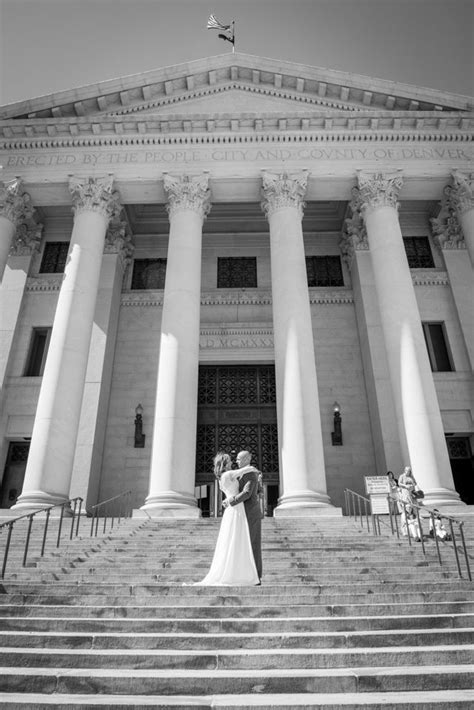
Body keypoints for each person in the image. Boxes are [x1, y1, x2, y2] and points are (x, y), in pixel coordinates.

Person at [192, 451, 260, 586]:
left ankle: (234, 571)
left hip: (232, 509)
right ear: (224, 464)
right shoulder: (228, 474)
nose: (233, 462)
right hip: (236, 509)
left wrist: (228, 501)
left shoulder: (221, 478)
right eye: (230, 461)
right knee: (237, 539)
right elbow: (247, 470)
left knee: (232, 540)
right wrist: (254, 469)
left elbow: (229, 492)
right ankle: (237, 572)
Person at [223, 450, 263, 583]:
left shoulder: (251, 474)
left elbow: (246, 493)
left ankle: (256, 576)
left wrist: (231, 501)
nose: (236, 461)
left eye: (239, 459)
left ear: (246, 459)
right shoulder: (243, 473)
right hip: (242, 514)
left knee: (253, 544)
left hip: (251, 513)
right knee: (243, 545)